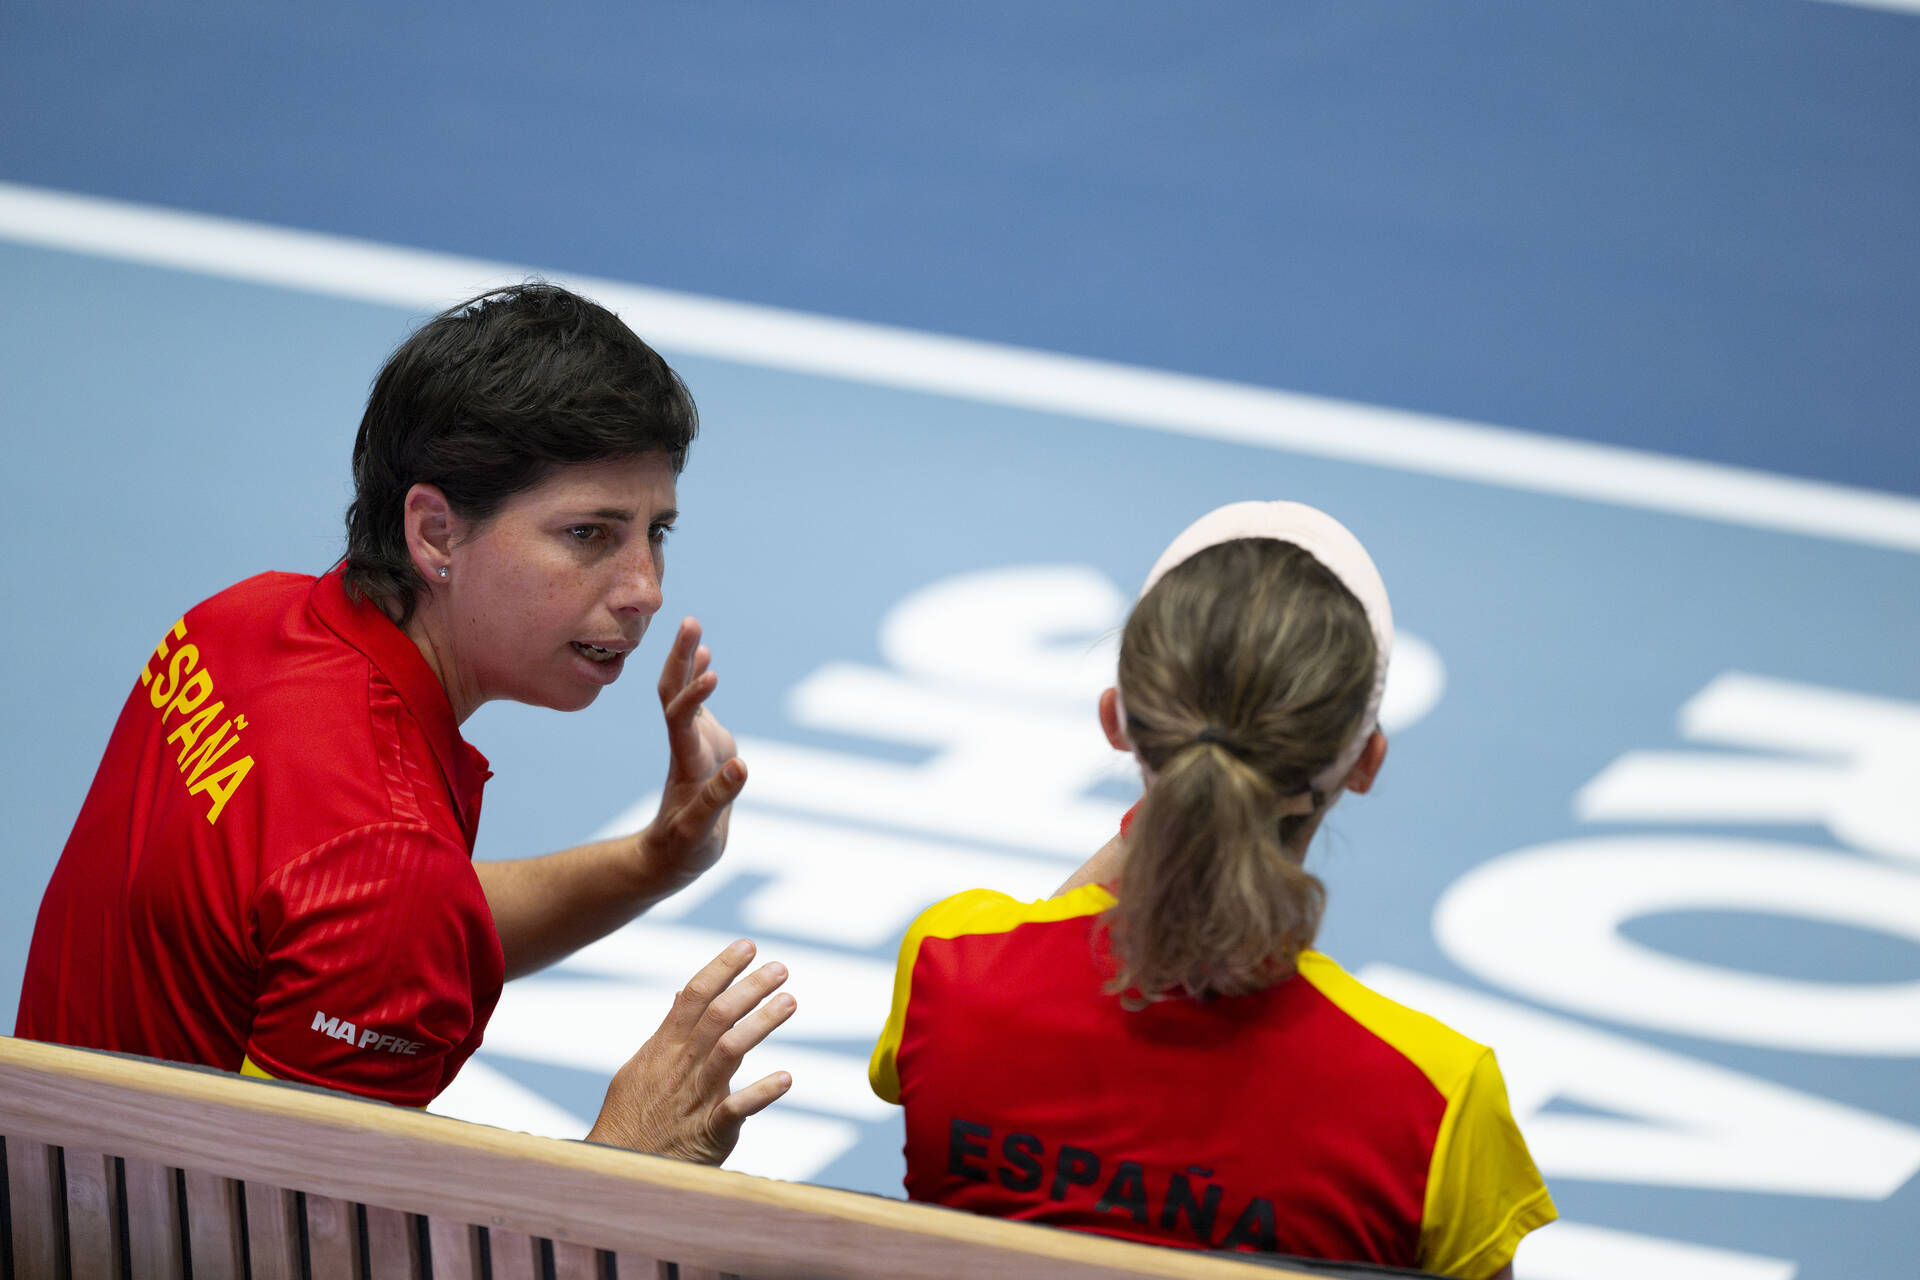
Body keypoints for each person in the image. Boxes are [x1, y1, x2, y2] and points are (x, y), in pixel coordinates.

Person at [18, 283, 792, 1164]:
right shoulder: (387, 864)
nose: (644, 587)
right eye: (588, 534)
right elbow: (293, 1246)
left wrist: (652, 860)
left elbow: (341, 928)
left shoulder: (239, 622)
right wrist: (628, 1160)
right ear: (435, 534)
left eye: (656, 532)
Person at [869, 502, 1555, 1276]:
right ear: (1365, 762)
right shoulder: (1436, 1099)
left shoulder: (953, 968)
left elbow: (1040, 952)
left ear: (1116, 721)